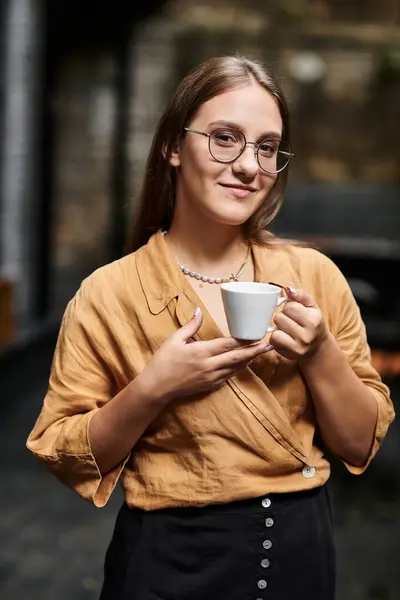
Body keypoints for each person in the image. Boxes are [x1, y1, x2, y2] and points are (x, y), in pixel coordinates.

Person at [27, 55, 395, 600]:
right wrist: (154, 387)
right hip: (171, 561)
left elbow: (361, 443)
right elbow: (63, 451)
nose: (249, 165)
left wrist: (319, 355)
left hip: (302, 552)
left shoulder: (313, 276)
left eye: (267, 147)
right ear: (173, 147)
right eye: (225, 138)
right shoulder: (110, 293)